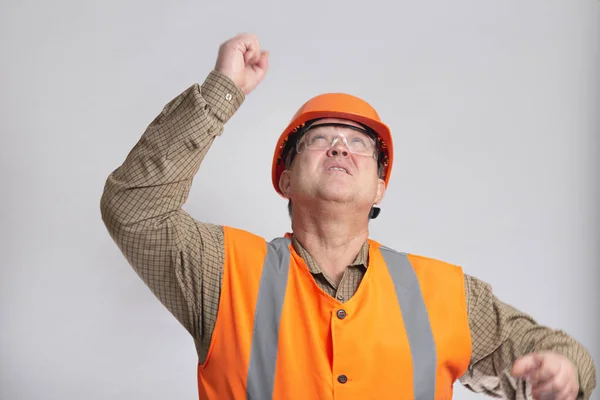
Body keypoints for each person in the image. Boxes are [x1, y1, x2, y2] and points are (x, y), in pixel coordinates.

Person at [100, 33, 596, 400]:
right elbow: (133, 207)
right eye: (319, 138)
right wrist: (222, 91)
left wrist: (565, 374)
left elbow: (557, 352)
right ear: (285, 179)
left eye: (359, 143)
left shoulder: (443, 294)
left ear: (380, 184)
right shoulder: (222, 273)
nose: (340, 146)